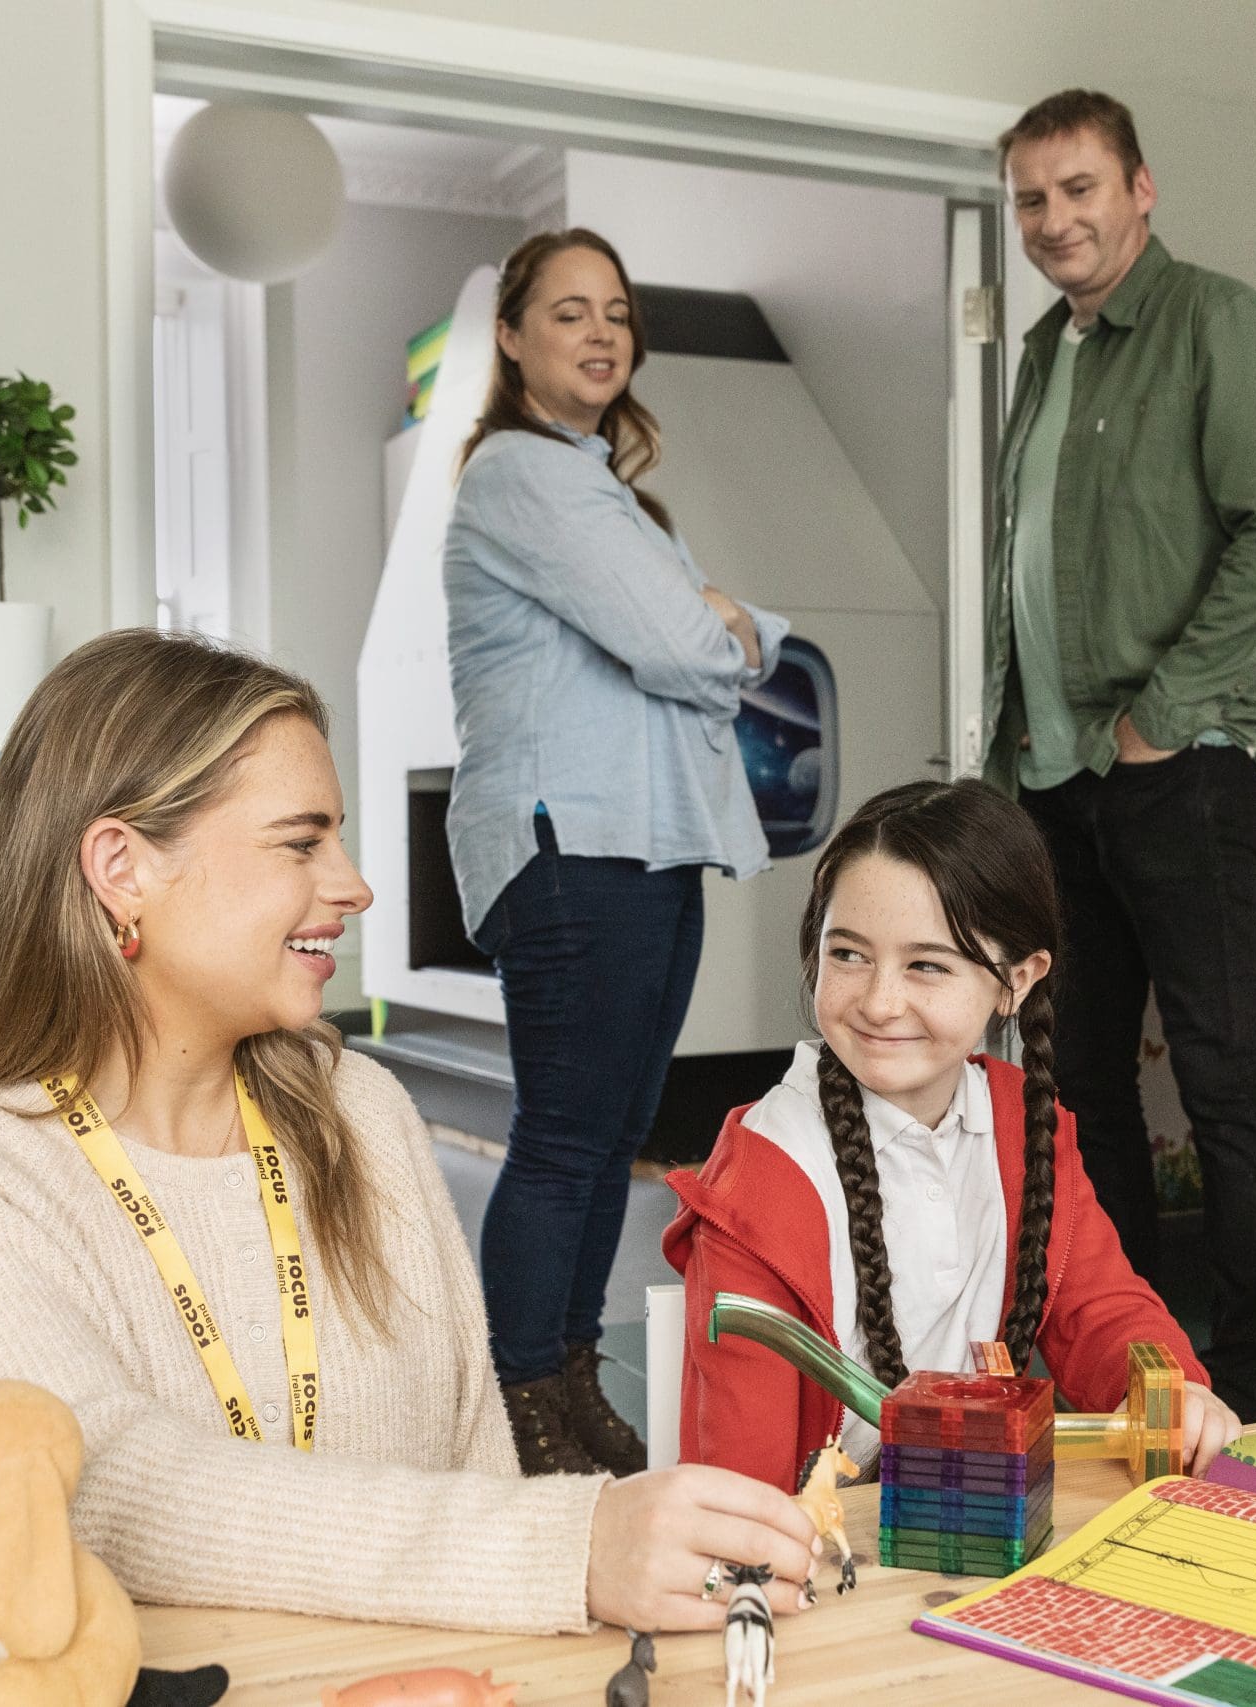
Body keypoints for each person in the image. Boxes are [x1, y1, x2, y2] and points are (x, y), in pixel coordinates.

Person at [0, 629, 815, 1637]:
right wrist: (571, 1544)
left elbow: (476, 1455)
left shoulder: (359, 1111)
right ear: (121, 868)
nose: (353, 887)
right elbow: (88, 1485)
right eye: (301, 843)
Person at [987, 90, 1256, 1422]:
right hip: (1055, 777)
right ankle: (1133, 1362)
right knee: (1083, 1092)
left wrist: (1160, 713)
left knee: (1223, 1078)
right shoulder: (1041, 354)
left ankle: (1246, 1382)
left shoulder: (1214, 323)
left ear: (1141, 190)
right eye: (1032, 200)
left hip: (1177, 760)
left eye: (1079, 189)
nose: (1056, 220)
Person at [444, 229, 789, 1475]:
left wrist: (712, 631)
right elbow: (688, 650)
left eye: (616, 314)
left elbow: (699, 642)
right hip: (569, 845)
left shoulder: (607, 492)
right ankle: (522, 1401)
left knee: (612, 1128)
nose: (600, 334)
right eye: (568, 312)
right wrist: (722, 629)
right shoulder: (520, 476)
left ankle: (570, 1376)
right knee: (565, 1137)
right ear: (511, 335)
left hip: (640, 847)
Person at [662, 780, 1243, 1490]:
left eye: (926, 964)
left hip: (974, 1518)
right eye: (847, 954)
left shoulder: (1024, 1125)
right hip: (818, 1554)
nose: (879, 1000)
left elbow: (1100, 1307)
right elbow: (738, 1489)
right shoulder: (763, 1179)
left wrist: (1173, 1389)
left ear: (1016, 980)